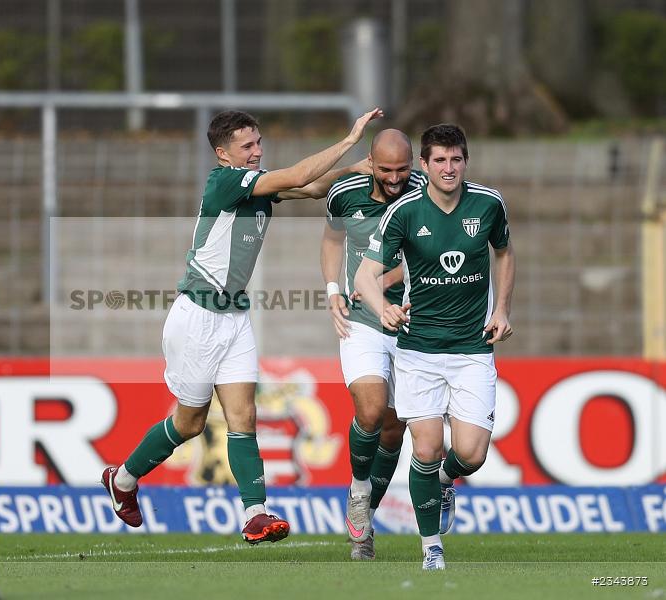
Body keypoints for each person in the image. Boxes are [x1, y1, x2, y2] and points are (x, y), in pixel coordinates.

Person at [102, 107, 383, 544]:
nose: (256, 152)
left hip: (234, 316)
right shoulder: (225, 183)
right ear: (223, 154)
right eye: (247, 146)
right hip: (198, 317)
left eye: (258, 143)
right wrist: (348, 142)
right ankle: (122, 480)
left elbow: (311, 187)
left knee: (243, 416)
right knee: (189, 423)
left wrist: (357, 169)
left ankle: (255, 513)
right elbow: (294, 177)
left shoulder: (255, 183)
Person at [355, 124, 515, 570]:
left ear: (466, 161)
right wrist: (381, 308)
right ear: (424, 166)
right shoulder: (405, 212)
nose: (449, 168)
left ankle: (447, 479)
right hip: (418, 350)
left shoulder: (488, 204)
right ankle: (431, 550)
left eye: (456, 159)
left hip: (471, 349)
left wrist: (501, 309)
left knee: (471, 454)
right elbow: (365, 276)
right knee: (424, 448)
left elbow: (504, 252)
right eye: (439, 160)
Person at [321, 129, 424, 560]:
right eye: (386, 169)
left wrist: (379, 280)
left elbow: (426, 255)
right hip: (362, 321)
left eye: (403, 169)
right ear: (371, 162)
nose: (396, 177)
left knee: (395, 426)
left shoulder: (426, 191)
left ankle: (364, 526)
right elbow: (331, 239)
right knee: (370, 407)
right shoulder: (344, 193)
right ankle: (359, 493)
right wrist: (331, 289)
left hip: (411, 321)